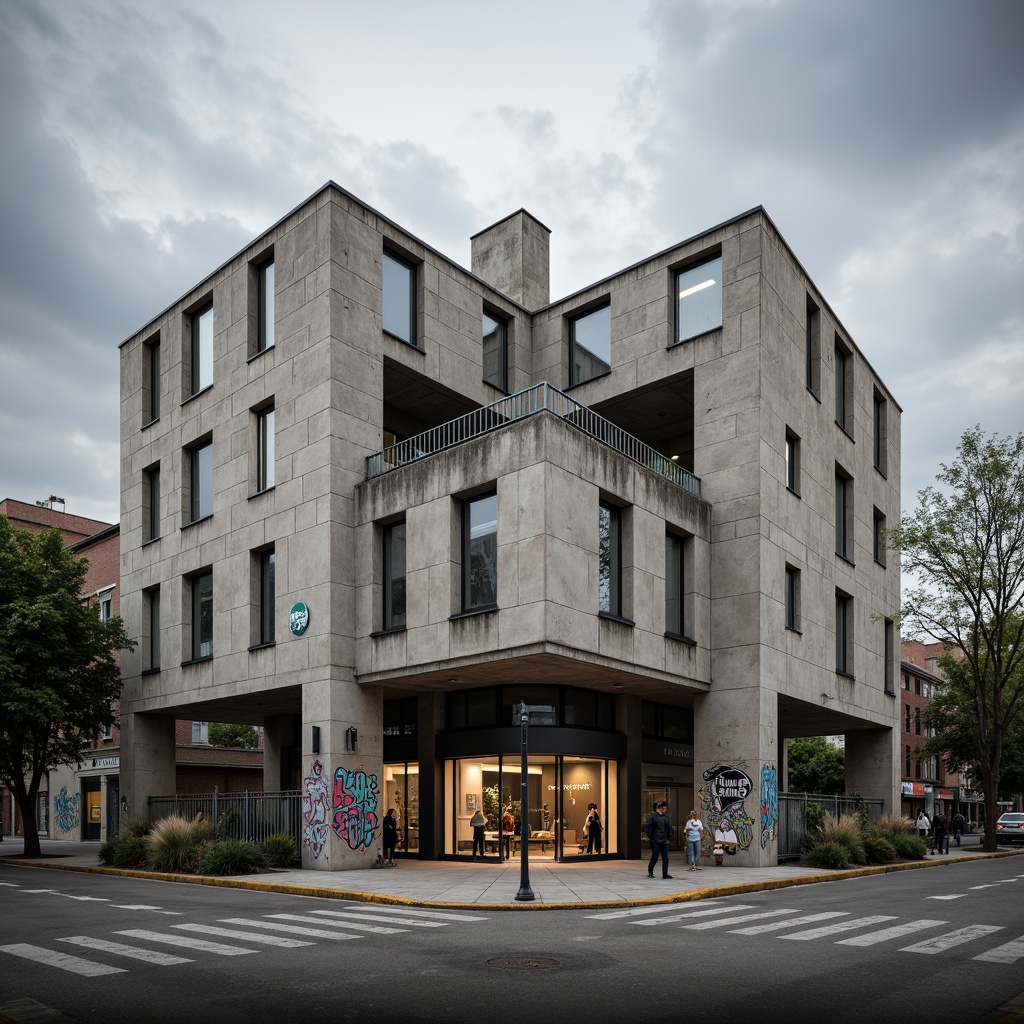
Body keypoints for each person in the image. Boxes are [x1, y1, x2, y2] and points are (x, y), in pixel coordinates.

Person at [645, 800, 674, 879]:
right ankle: (650, 871)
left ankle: (665, 873)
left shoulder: (666, 816)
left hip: (665, 840)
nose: (665, 809)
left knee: (665, 858)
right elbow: (648, 827)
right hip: (656, 840)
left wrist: (669, 837)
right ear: (662, 808)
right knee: (654, 857)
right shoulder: (653, 816)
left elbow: (668, 827)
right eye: (664, 808)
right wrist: (651, 837)